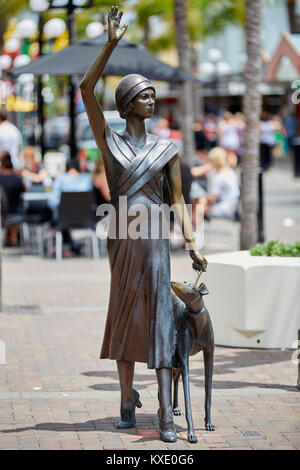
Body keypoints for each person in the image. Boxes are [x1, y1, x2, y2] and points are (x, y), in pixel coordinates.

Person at [79, 6, 206, 443]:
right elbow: (85, 87)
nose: (152, 101)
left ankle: (166, 411)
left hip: (155, 238)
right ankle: (125, 400)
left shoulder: (167, 148)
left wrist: (191, 243)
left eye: (153, 95)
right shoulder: (109, 142)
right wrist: (110, 44)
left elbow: (177, 200)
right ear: (126, 103)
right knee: (124, 314)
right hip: (122, 236)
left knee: (161, 319)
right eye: (145, 95)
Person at [47, 159, 93, 255]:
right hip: (85, 220)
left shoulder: (60, 179)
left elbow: (52, 202)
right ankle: (72, 247)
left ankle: (66, 246)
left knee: (54, 218)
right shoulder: (87, 179)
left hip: (64, 219)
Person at [198, 147, 239, 219]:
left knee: (198, 205)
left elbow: (213, 198)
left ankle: (193, 228)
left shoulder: (218, 176)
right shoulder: (230, 171)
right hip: (233, 205)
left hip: (223, 208)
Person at [0, 151, 25, 245]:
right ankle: (13, 239)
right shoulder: (16, 178)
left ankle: (9, 238)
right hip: (16, 210)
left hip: (2, 211)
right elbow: (24, 190)